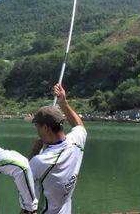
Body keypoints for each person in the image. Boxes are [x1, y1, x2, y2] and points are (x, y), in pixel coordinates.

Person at [29, 83, 87, 214]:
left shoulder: (41, 161)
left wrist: (35, 150)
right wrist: (63, 103)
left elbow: (25, 178)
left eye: (37, 127)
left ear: (45, 128)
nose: (37, 132)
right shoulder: (76, 142)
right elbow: (79, 126)